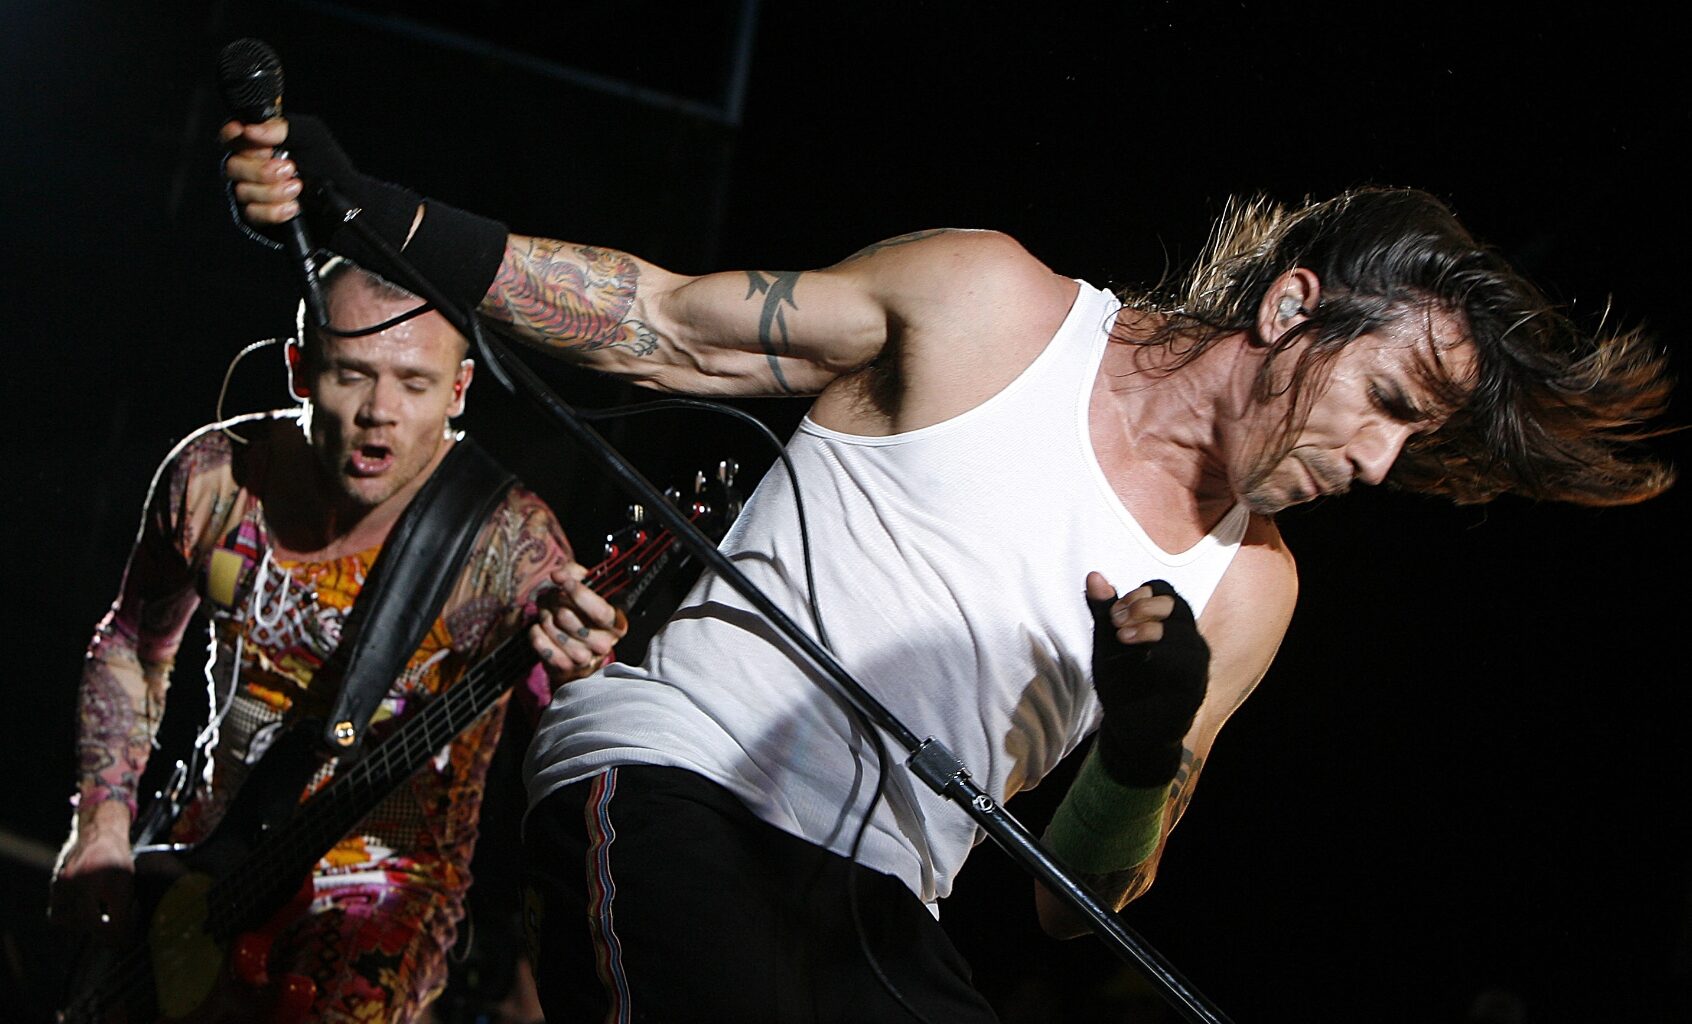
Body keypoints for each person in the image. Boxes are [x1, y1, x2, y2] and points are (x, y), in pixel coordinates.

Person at [222, 115, 1673, 1021]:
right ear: (1295, 305)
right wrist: (389, 220)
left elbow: (1086, 891)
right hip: (682, 787)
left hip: (876, 916)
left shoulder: (1251, 590)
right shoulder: (995, 307)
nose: (1378, 464)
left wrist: (1145, 740)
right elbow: (668, 325)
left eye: (1412, 448)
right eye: (1390, 406)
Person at [49, 258, 626, 1023]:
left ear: (459, 390)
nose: (378, 411)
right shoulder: (218, 478)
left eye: (415, 384)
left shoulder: (508, 546)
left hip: (382, 892)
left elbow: (573, 747)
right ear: (299, 369)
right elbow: (135, 642)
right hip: (196, 868)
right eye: (351, 374)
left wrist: (586, 672)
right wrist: (104, 825)